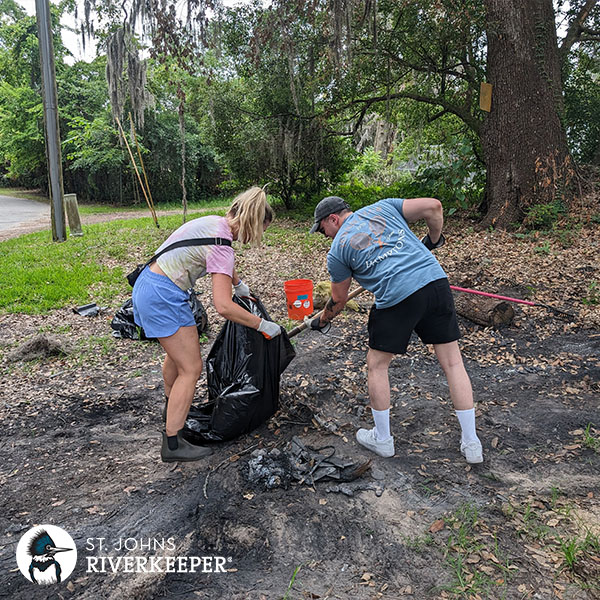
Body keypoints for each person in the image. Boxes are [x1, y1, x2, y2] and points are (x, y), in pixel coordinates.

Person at [307, 195, 483, 464]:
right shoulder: (382, 208)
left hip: (397, 296)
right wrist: (434, 240)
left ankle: (383, 439)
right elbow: (434, 206)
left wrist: (322, 320)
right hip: (435, 283)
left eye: (322, 230)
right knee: (452, 362)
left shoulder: (338, 251)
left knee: (377, 364)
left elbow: (338, 300)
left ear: (333, 219)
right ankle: (471, 444)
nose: (325, 236)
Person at [132, 186, 282, 463]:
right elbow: (223, 306)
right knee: (192, 368)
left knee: (177, 360)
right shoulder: (223, 244)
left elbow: (220, 256)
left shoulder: (214, 223)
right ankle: (174, 443)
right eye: (260, 231)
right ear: (253, 223)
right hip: (163, 296)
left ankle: (174, 414)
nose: (253, 239)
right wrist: (261, 324)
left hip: (150, 285)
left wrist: (237, 283)